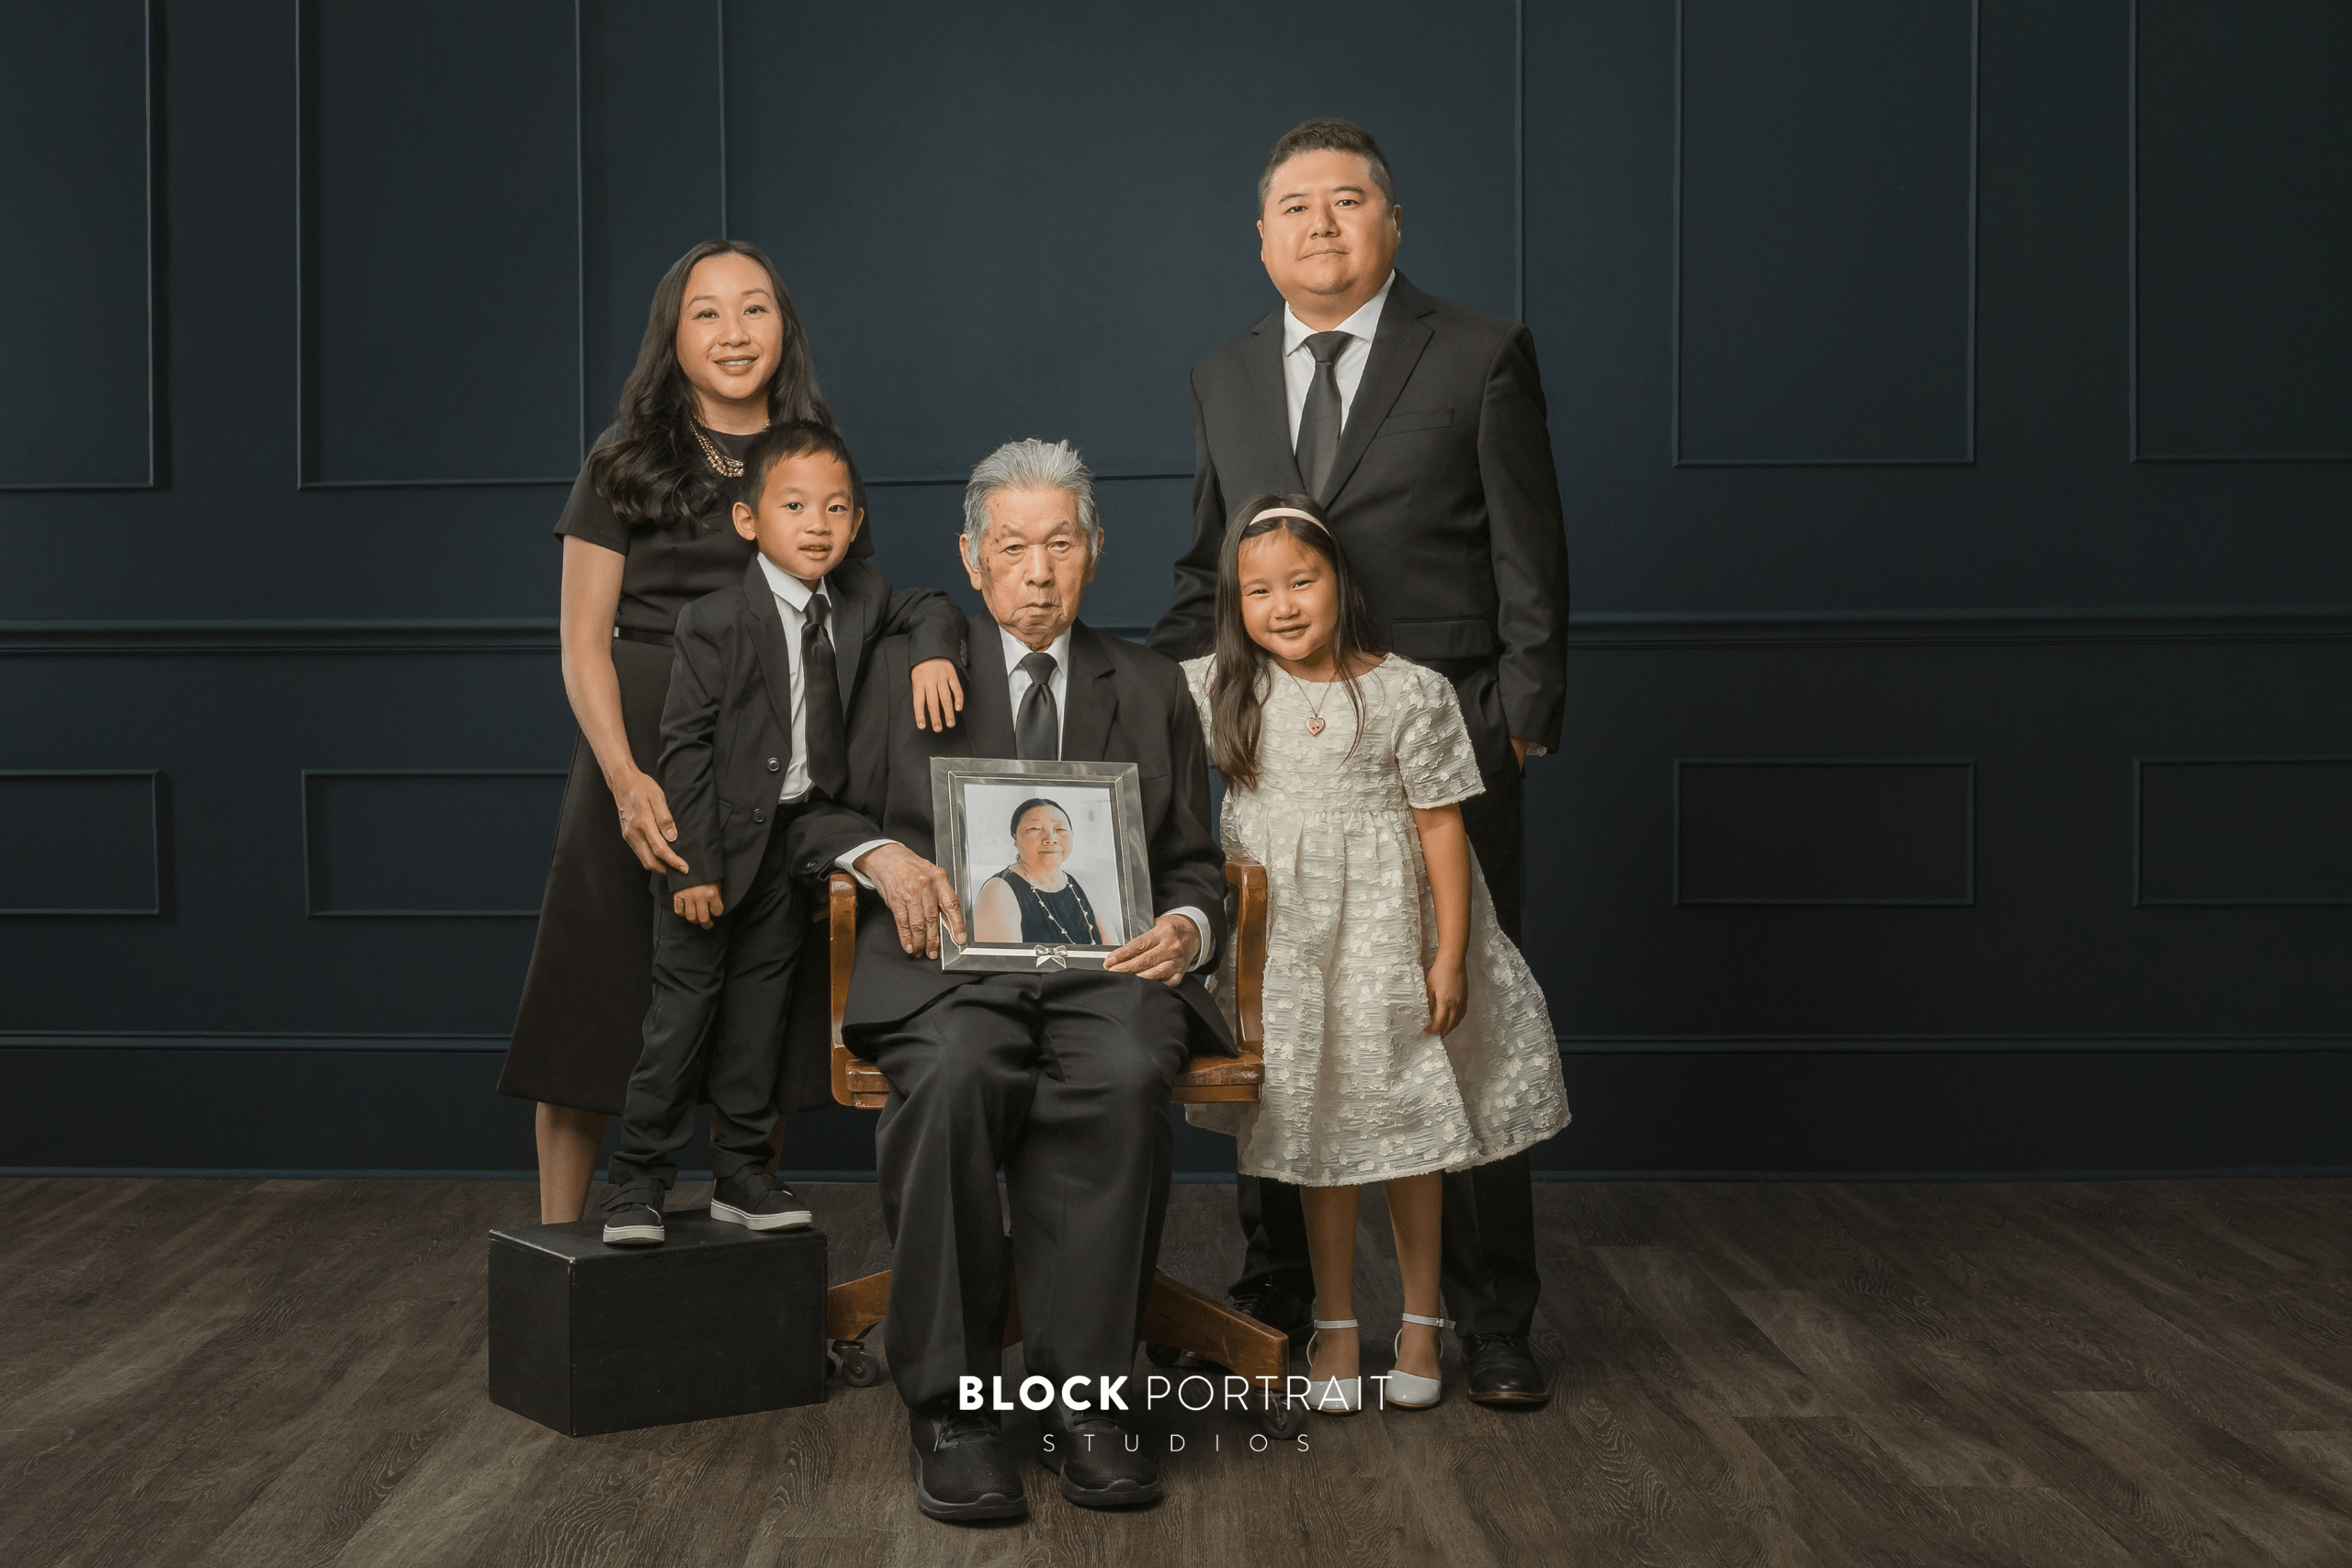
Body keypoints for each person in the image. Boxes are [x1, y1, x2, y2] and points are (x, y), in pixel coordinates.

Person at [1148, 117, 1572, 1404]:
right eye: (1295, 206)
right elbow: (1206, 567)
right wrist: (1134, 712)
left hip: (1440, 750)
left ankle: (1489, 1318)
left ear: (1391, 222)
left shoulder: (1481, 352)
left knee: (1458, 1022)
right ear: (1260, 238)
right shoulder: (1224, 373)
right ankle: (1285, 1286)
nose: (1320, 224)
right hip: (1277, 765)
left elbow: (1531, 553)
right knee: (1283, 1022)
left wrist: (1519, 719)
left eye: (1347, 201)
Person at [788, 438, 1229, 1523]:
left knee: (1125, 1071)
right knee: (952, 1075)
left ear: (1094, 553)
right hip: (944, 971)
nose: (1038, 572)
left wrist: (1185, 927)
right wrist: (879, 858)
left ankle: (1087, 1406)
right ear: (971, 559)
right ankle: (952, 1412)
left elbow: (1192, 861)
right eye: (1014, 547)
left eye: (1061, 545)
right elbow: (812, 814)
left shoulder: (1151, 685)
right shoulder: (900, 674)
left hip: (1106, 975)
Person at [498, 239, 956, 1224]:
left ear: (784, 327)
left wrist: (927, 652)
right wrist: (625, 778)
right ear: (673, 336)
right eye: (706, 312)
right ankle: (562, 1246)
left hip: (770, 766)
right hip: (640, 756)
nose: (733, 331)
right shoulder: (622, 460)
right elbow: (582, 643)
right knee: (594, 1004)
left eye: (755, 307)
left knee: (759, 998)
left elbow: (863, 611)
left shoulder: (813, 458)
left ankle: (743, 1219)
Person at [1181, 497, 1569, 1415]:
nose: (1282, 605)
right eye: (1258, 591)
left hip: (1388, 943)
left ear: (1339, 581)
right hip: (1288, 951)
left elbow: (1441, 828)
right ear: (1234, 603)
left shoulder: (1410, 692)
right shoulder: (1220, 687)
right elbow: (1106, 692)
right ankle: (1338, 1327)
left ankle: (1424, 1325)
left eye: (1301, 581)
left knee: (1408, 1129)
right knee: (1320, 1133)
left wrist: (1450, 956)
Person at [598, 422, 967, 1247]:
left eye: (836, 507)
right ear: (747, 519)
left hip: (794, 847)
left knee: (759, 1020)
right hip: (712, 850)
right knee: (680, 1021)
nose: (817, 524)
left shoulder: (861, 597)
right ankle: (638, 1179)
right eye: (794, 505)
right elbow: (684, 747)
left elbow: (932, 605)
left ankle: (741, 1172)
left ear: (857, 520)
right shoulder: (714, 620)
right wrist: (692, 866)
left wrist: (933, 655)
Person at [970, 798, 1105, 946]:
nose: (1051, 839)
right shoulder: (998, 891)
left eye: (1060, 829)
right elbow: (1000, 960)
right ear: (1015, 837)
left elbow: (1115, 954)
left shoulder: (1083, 889)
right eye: (1035, 828)